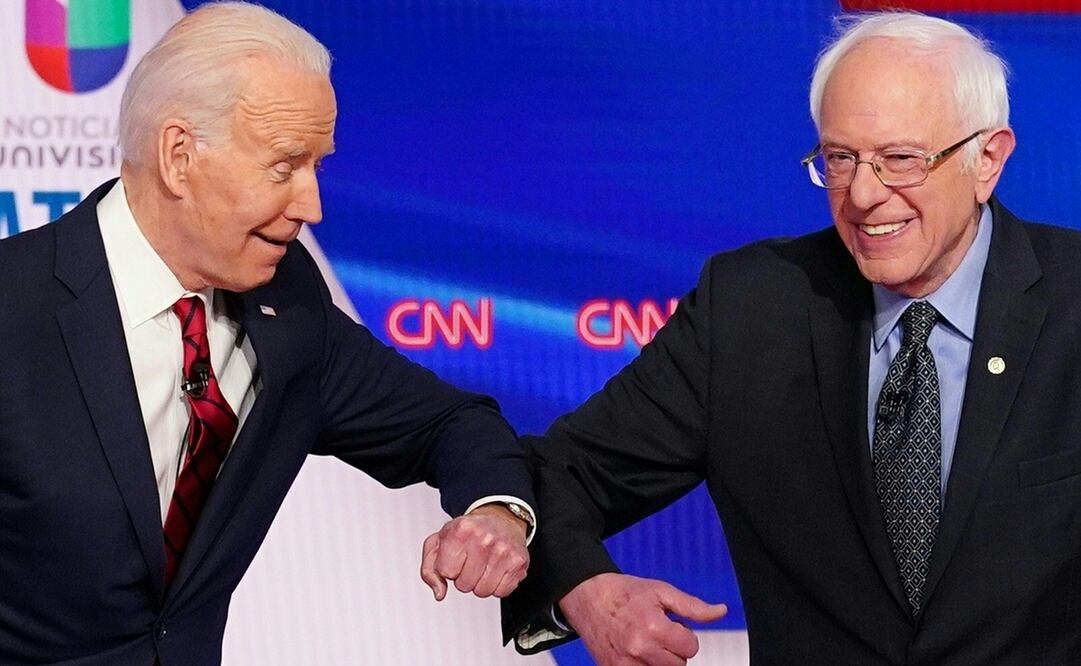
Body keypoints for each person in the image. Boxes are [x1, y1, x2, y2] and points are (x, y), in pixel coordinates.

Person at [504, 11, 1081, 665]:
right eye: (839, 159)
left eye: (898, 160)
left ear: (987, 159)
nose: (863, 194)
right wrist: (584, 589)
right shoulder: (751, 308)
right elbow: (558, 473)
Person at [0, 3, 535, 664]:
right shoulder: (13, 308)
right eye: (284, 168)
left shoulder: (288, 303)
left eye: (317, 167)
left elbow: (447, 423)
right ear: (178, 158)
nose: (310, 206)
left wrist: (496, 514)